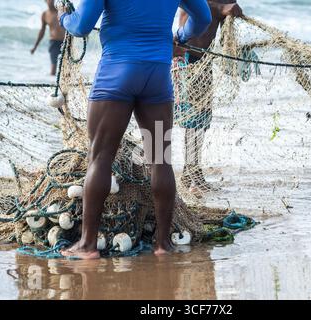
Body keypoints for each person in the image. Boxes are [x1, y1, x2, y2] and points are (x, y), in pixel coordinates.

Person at [57, 0, 212, 259]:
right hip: (157, 79)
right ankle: (163, 244)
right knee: (160, 159)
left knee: (100, 158)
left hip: (116, 75)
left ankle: (87, 245)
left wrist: (63, 17)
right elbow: (203, 17)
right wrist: (181, 36)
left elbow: (81, 26)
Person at [176, 1, 243, 191]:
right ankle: (190, 175)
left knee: (202, 118)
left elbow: (223, 34)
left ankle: (193, 172)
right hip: (186, 56)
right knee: (191, 119)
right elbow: (189, 5)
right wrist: (220, 10)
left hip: (205, 60)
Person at [30, 0, 66, 76]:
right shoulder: (45, 14)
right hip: (53, 42)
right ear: (45, 1)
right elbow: (42, 31)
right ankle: (52, 84)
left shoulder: (61, 11)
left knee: (66, 66)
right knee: (53, 68)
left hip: (65, 42)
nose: (50, 1)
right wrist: (35, 47)